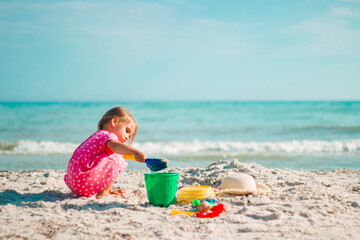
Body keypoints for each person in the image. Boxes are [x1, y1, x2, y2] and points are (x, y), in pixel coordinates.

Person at [64, 106, 146, 199]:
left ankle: (107, 189)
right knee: (116, 157)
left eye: (129, 135)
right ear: (114, 122)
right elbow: (115, 146)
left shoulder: (98, 135)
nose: (127, 137)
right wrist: (135, 152)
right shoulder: (108, 135)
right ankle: (104, 192)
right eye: (127, 130)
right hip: (84, 181)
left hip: (74, 183)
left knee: (111, 156)